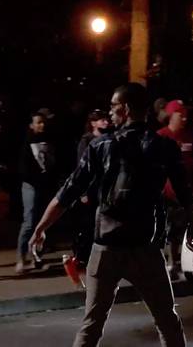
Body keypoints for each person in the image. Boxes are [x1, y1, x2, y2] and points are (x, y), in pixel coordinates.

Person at [28, 83, 193, 347]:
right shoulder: (163, 147)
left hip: (106, 249)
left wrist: (41, 228)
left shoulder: (101, 147)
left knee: (91, 325)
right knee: (168, 323)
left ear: (124, 109)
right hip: (145, 250)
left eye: (113, 107)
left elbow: (68, 192)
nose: (110, 113)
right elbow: (189, 201)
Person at [157, 100, 193, 280]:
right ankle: (170, 264)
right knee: (169, 231)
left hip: (185, 192)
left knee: (184, 230)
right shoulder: (160, 136)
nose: (184, 117)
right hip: (166, 194)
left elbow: (192, 160)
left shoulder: (188, 136)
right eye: (180, 114)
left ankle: (183, 264)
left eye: (185, 114)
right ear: (170, 115)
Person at [15, 111, 58, 274]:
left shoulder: (50, 140)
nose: (42, 125)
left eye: (43, 122)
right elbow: (23, 167)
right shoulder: (27, 142)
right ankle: (21, 258)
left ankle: (36, 257)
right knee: (29, 221)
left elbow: (52, 162)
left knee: (42, 221)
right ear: (31, 125)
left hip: (45, 185)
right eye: (38, 122)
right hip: (31, 185)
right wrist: (37, 178)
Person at [72, 110, 110, 269]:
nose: (106, 122)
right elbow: (82, 167)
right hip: (91, 188)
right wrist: (83, 192)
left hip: (104, 187)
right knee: (87, 224)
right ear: (93, 123)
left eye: (106, 119)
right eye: (101, 120)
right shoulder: (86, 141)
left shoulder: (109, 138)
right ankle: (81, 256)